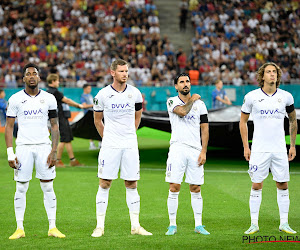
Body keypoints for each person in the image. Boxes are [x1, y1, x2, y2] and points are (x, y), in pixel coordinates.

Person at [92, 59, 152, 237]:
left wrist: (130, 134)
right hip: (110, 144)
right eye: (121, 71)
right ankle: (99, 227)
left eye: (126, 71)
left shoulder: (135, 93)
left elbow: (137, 117)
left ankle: (135, 226)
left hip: (129, 144)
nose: (125, 74)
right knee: (104, 183)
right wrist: (108, 137)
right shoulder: (102, 95)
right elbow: (97, 120)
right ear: (112, 73)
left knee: (132, 183)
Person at [5, 63, 65, 239]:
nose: (31, 76)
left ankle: (53, 227)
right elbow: (9, 128)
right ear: (24, 78)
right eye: (28, 74)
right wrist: (10, 153)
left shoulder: (49, 99)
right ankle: (19, 228)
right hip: (23, 147)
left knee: (47, 186)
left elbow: (55, 126)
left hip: (43, 147)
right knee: (21, 187)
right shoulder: (15, 99)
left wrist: (54, 151)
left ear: (39, 77)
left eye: (35, 73)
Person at [240, 62, 297, 235]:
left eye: (274, 72)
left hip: (279, 148)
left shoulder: (286, 96)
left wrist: (292, 145)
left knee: (283, 184)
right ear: (262, 76)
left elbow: (293, 120)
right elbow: (242, 121)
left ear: (278, 76)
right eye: (268, 72)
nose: (272, 74)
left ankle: (284, 223)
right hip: (259, 149)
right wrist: (246, 146)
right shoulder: (252, 97)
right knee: (256, 184)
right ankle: (254, 224)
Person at [165, 73, 210, 236]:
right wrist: (193, 100)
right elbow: (183, 112)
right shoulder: (172, 101)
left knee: (196, 187)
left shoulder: (201, 105)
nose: (186, 84)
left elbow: (204, 128)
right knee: (174, 186)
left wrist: (204, 150)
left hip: (195, 150)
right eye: (182, 82)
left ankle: (198, 225)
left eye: (187, 81)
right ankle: (172, 224)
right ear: (176, 86)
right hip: (177, 148)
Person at [46, 73, 84, 167]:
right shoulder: (55, 92)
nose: (59, 82)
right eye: (57, 80)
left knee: (67, 139)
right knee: (64, 139)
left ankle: (72, 160)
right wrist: (78, 105)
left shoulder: (47, 92)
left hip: (55, 118)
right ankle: (57, 160)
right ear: (53, 81)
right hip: (60, 117)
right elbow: (67, 101)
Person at [80, 83, 101, 150]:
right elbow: (84, 106)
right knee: (91, 129)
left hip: (93, 113)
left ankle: (99, 143)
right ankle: (92, 144)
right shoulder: (83, 96)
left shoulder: (90, 95)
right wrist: (93, 105)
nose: (90, 89)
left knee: (97, 128)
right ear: (85, 89)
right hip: (88, 114)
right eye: (88, 88)